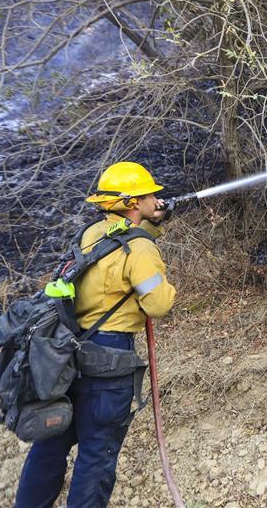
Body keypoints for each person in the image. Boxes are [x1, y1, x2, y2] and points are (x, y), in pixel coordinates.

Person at [15, 162, 176, 508]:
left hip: (69, 354)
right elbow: (159, 303)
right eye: (150, 194)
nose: (156, 198)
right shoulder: (140, 249)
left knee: (50, 446)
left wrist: (154, 222)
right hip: (109, 363)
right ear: (133, 202)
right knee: (96, 454)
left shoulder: (90, 234)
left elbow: (120, 243)